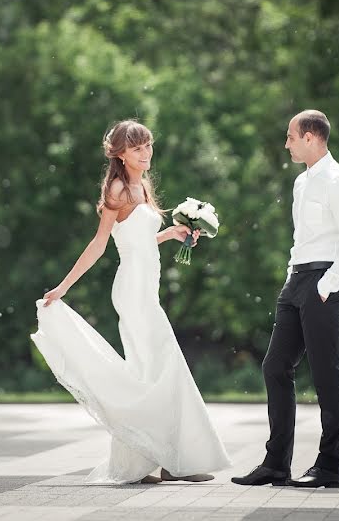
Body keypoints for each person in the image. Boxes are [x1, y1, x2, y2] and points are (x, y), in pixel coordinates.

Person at [32, 118, 232, 485]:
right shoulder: (118, 189)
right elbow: (100, 244)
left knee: (150, 374)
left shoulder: (143, 186)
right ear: (120, 154)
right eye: (137, 148)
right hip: (133, 292)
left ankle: (145, 462)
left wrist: (171, 233)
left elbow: (138, 241)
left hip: (146, 288)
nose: (145, 153)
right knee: (165, 367)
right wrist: (63, 286)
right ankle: (172, 461)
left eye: (148, 145)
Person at [232, 110, 339, 489]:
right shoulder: (301, 183)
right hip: (297, 280)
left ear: (310, 136)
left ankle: (329, 467)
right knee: (275, 367)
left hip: (325, 280)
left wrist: (328, 283)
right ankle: (276, 464)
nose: (286, 143)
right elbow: (301, 239)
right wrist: (293, 276)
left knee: (326, 374)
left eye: (290, 136)